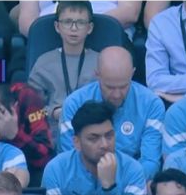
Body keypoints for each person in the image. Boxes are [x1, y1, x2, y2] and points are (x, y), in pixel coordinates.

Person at [59, 46, 164, 179]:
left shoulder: (151, 104)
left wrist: (119, 181)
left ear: (132, 73)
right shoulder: (74, 104)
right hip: (84, 182)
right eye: (109, 87)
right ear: (97, 74)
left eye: (123, 86)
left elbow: (150, 161)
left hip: (133, 182)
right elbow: (70, 159)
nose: (116, 95)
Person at [42, 100, 146, 195]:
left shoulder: (133, 170)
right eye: (93, 138)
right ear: (77, 142)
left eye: (109, 136)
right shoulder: (56, 170)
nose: (104, 145)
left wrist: (109, 187)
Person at [28, 1, 99, 134]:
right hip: (53, 132)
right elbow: (30, 113)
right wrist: (53, 112)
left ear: (89, 28)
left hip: (92, 130)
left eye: (80, 22)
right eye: (67, 22)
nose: (74, 28)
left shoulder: (101, 62)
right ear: (57, 26)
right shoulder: (44, 63)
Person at [0, 81, 54, 176]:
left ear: (14, 107)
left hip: (29, 171)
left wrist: (15, 135)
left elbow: (46, 158)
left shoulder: (29, 97)